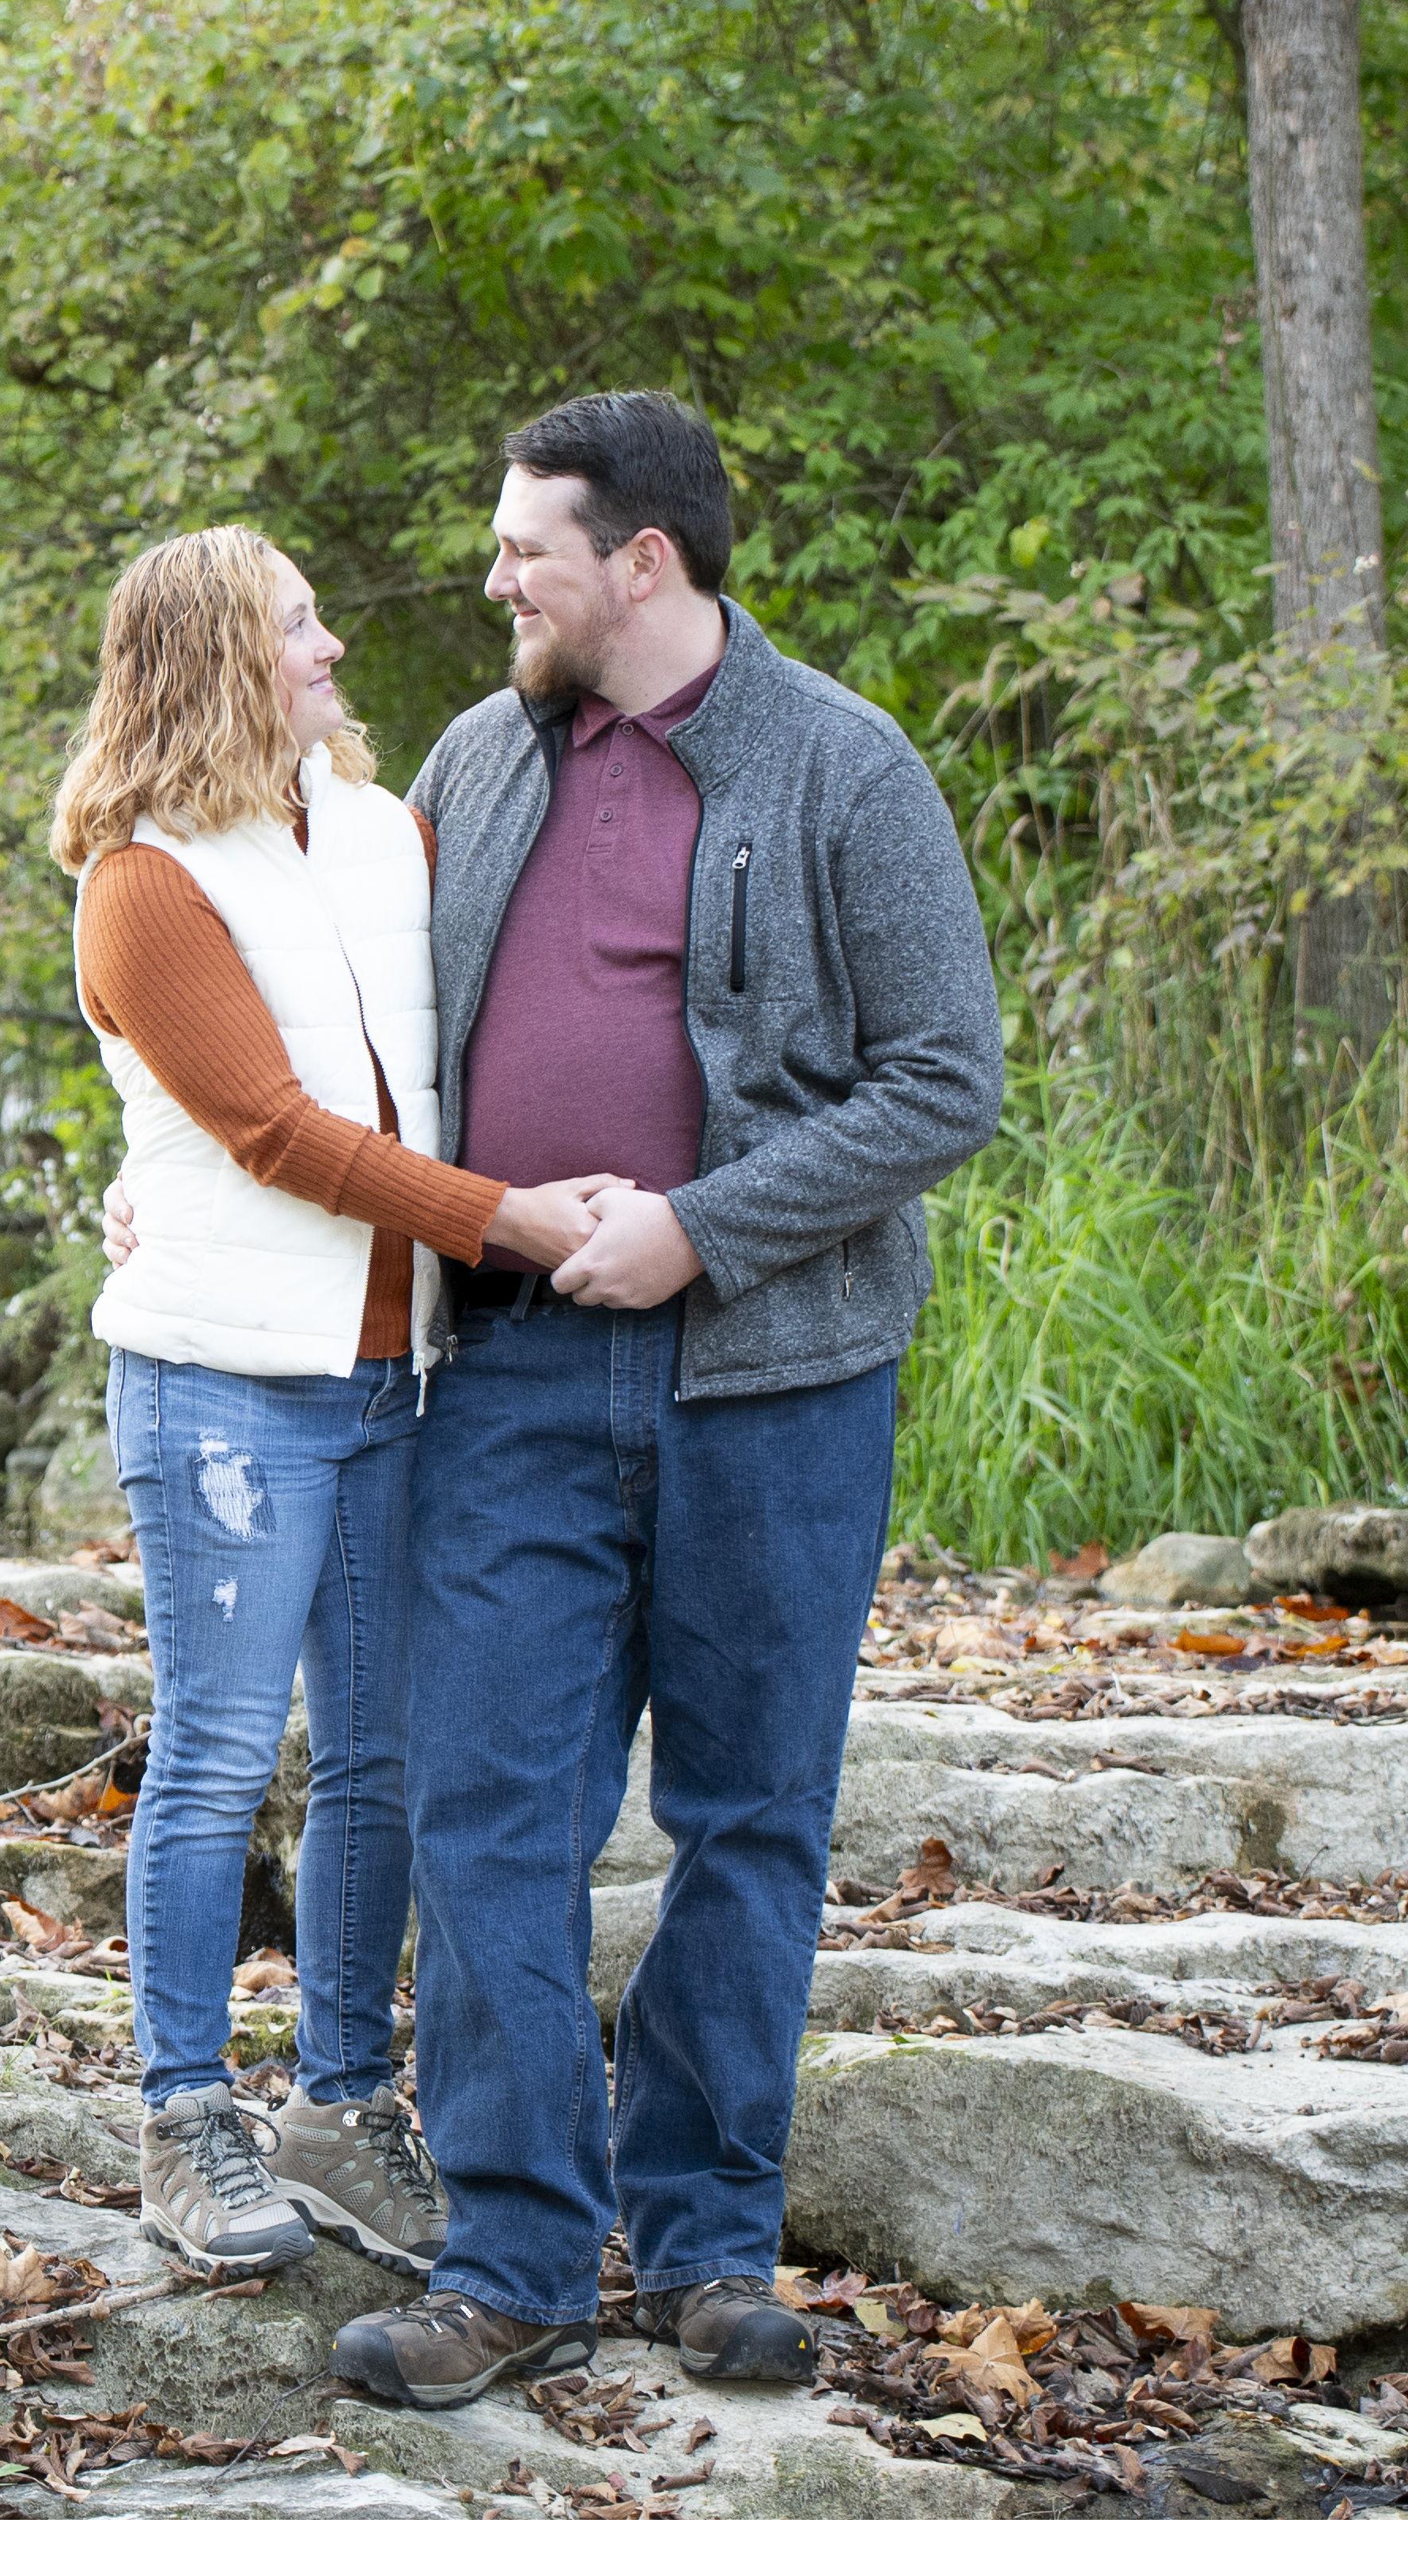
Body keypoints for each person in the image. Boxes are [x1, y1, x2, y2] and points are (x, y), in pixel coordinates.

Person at [315, 391, 1005, 2404]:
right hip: (509, 1372)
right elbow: (353, 1036)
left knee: (749, 1812)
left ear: (643, 560)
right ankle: (515, 2259)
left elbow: (947, 1079)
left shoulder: (846, 767)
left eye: (525, 548)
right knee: (485, 1808)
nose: (494, 581)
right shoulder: (474, 759)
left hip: (776, 1387)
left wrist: (701, 1230)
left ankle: (707, 2250)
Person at [50, 525, 626, 2279]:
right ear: (219, 660)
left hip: (398, 1374)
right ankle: (181, 2117)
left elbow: (454, 1059)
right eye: (298, 626)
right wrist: (509, 1222)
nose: (332, 648)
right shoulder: (144, 881)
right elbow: (273, 1129)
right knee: (219, 1757)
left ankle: (340, 2107)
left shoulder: (383, 832)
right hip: (224, 1386)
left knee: (377, 1758)